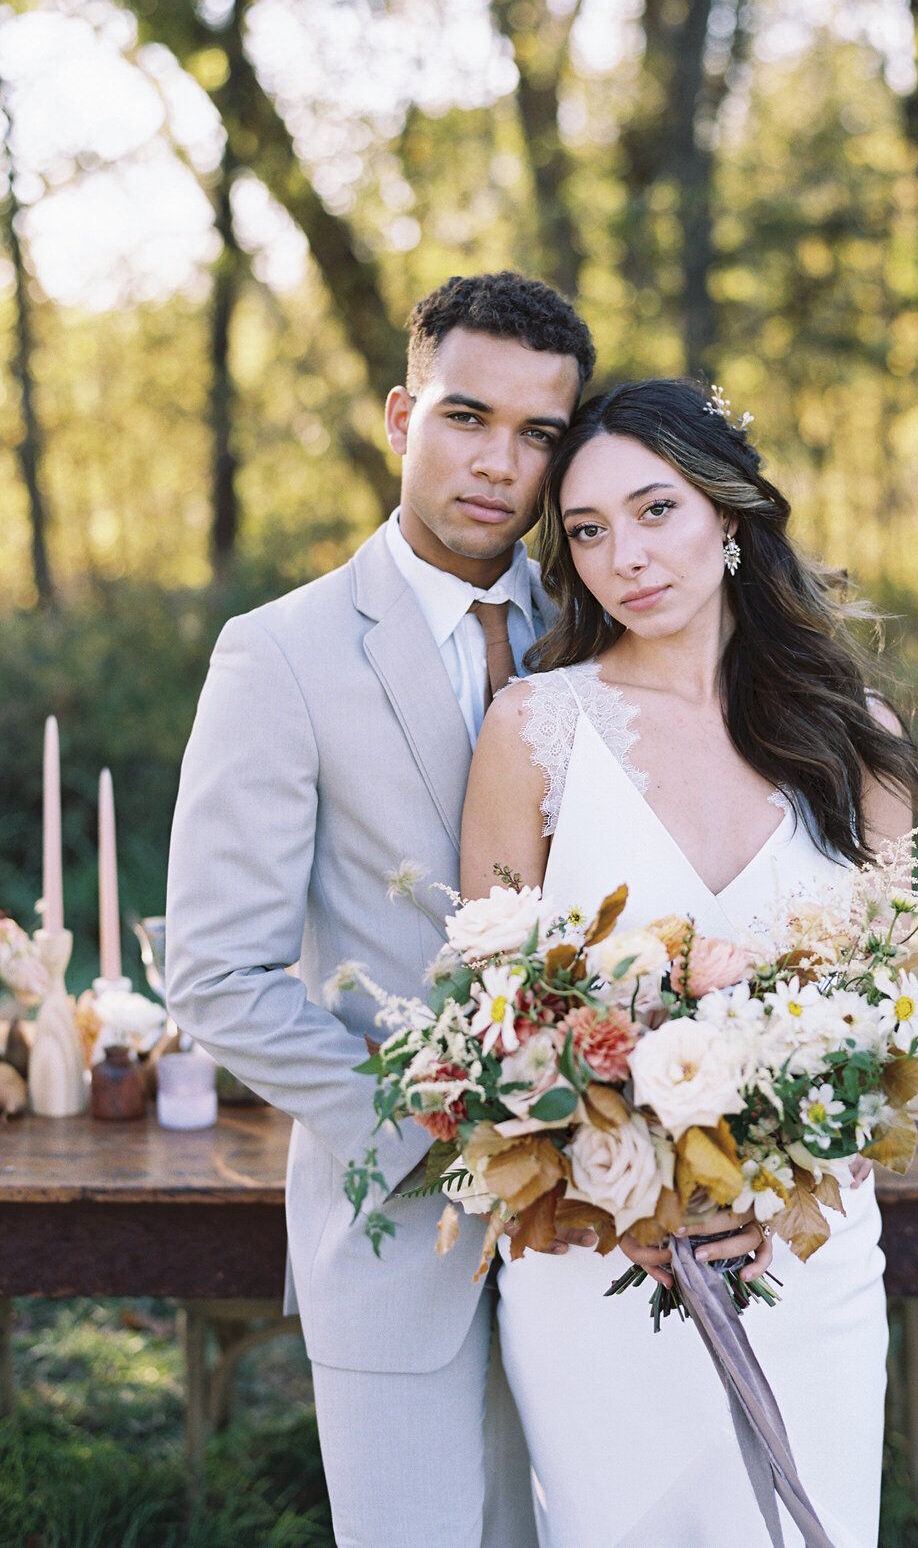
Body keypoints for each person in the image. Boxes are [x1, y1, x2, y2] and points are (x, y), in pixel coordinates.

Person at [165, 271, 595, 1548]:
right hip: (401, 1223)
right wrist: (435, 1117)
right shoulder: (281, 652)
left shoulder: (602, 638)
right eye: (468, 417)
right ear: (402, 416)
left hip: (598, 1228)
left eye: (538, 435)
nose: (498, 463)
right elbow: (215, 973)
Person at [459, 378, 918, 1548]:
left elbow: (895, 1025)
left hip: (805, 1264)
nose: (627, 554)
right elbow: (494, 1020)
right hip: (603, 1266)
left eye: (656, 508)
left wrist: (781, 1194)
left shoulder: (855, 734)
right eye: (588, 530)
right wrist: (630, 1201)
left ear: (727, 517)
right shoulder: (533, 730)